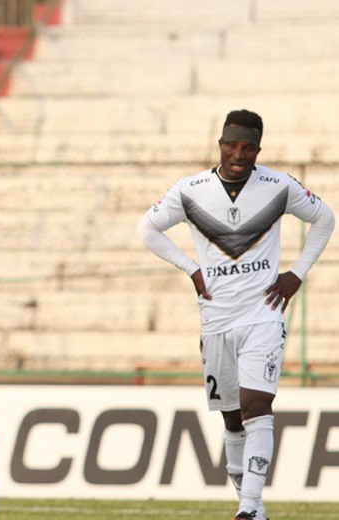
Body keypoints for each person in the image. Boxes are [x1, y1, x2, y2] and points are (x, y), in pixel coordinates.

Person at [136, 109, 335, 520]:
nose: (238, 154)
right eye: (232, 144)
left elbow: (324, 218)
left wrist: (297, 274)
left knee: (256, 403)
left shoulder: (278, 185)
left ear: (258, 149)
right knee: (231, 418)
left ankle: (246, 509)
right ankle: (254, 506)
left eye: (247, 147)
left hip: (264, 313)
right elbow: (147, 230)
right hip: (216, 319)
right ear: (221, 144)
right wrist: (190, 268)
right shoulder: (190, 189)